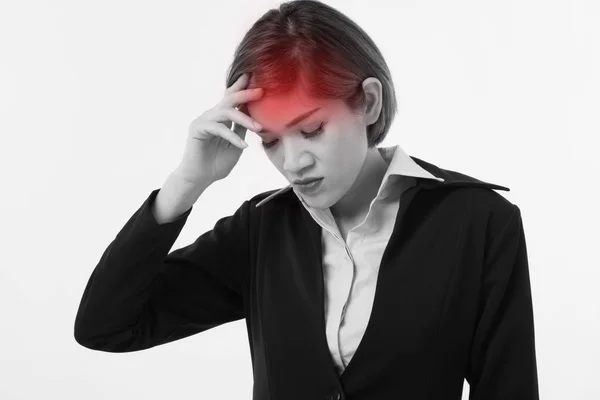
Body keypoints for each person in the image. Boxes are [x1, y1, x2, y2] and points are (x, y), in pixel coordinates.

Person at [74, 1, 539, 399]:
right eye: (271, 142)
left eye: (311, 130)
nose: (293, 162)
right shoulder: (262, 229)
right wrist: (186, 184)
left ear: (370, 103)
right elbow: (108, 326)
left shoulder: (478, 222)